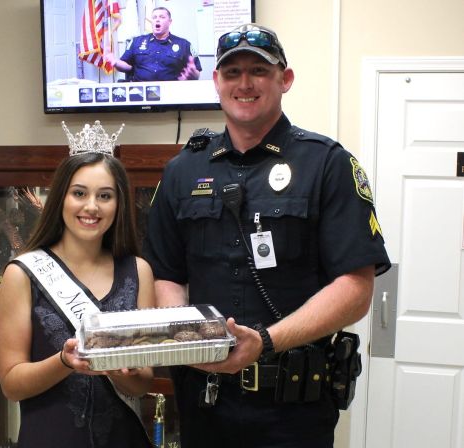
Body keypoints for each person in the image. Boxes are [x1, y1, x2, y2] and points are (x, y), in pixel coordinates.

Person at [142, 23, 391, 448]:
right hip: (205, 403)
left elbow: (356, 288)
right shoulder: (182, 171)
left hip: (293, 411)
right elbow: (166, 273)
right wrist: (190, 339)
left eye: (259, 70)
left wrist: (266, 342)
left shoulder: (327, 164)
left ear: (285, 79)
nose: (245, 83)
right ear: (216, 81)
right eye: (232, 72)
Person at [0, 148, 156, 448]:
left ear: (119, 203)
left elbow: (143, 383)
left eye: (105, 196)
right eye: (79, 193)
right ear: (61, 199)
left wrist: (123, 371)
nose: (91, 206)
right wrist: (65, 362)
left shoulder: (138, 271)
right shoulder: (22, 274)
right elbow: (11, 384)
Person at [105, 7, 201, 81]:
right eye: (154, 17)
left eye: (162, 17)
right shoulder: (136, 41)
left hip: (172, 92)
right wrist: (115, 62)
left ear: (169, 22)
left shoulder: (184, 44)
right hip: (141, 93)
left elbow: (196, 72)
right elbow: (127, 67)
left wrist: (193, 74)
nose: (157, 20)